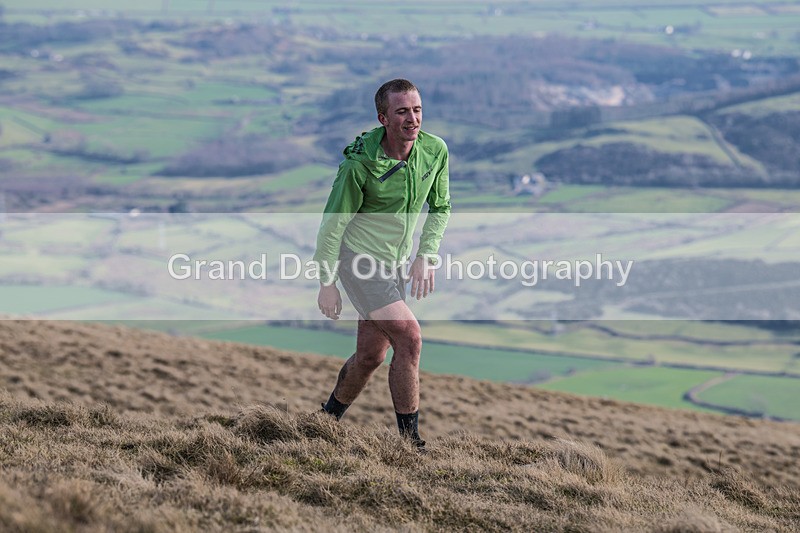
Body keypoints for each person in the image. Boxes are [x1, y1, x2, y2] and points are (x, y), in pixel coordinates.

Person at [313, 79, 451, 448]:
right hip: (358, 261)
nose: (412, 118)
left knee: (371, 355)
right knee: (409, 337)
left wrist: (426, 255)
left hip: (394, 264)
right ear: (383, 118)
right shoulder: (360, 165)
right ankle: (411, 442)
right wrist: (327, 281)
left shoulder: (435, 151)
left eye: (417, 109)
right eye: (402, 111)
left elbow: (441, 207)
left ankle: (324, 421)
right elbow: (332, 224)